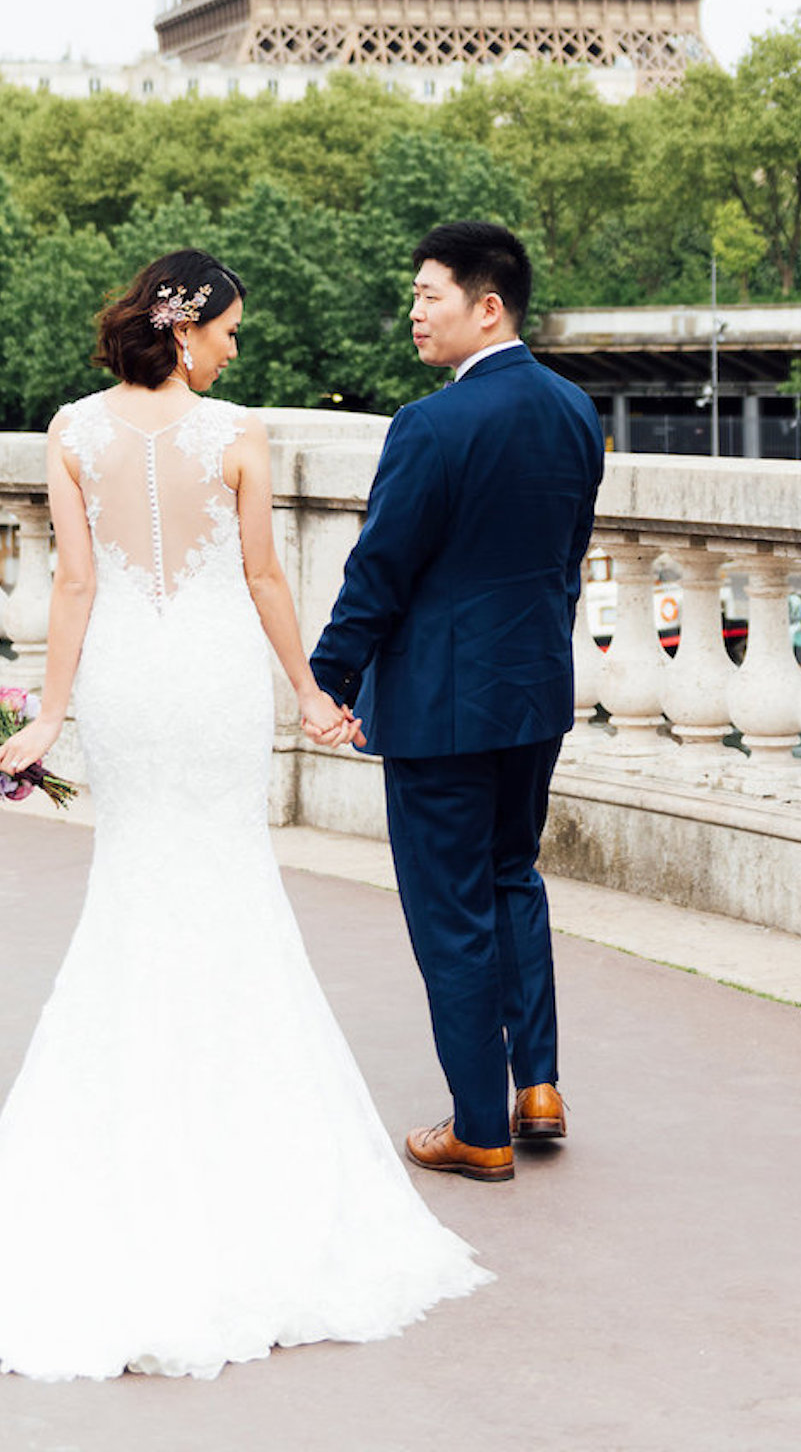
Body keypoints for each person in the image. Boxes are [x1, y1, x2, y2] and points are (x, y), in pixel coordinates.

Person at [0, 251, 486, 1385]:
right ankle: (243, 1170)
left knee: (135, 891)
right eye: (231, 334)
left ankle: (123, 1161)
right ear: (189, 326)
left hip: (121, 683)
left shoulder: (69, 431)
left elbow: (75, 585)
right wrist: (311, 691)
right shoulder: (237, 435)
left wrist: (50, 716)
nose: (235, 352)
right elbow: (261, 579)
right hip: (208, 682)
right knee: (229, 888)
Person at [309, 219, 605, 1186]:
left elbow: (379, 571)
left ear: (487, 306)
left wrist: (330, 679)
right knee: (513, 876)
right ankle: (540, 1085)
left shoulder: (430, 425)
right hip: (532, 695)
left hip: (441, 707)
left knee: (450, 912)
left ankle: (480, 1126)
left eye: (428, 295)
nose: (413, 312)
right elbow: (565, 564)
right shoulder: (574, 413)